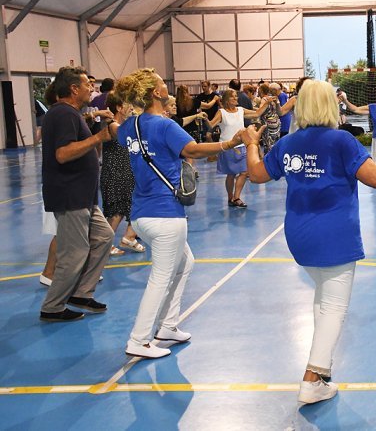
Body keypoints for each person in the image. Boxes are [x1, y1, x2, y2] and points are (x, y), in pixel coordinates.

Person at [240, 79, 376, 404]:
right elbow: (375, 178)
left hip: (299, 237)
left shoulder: (288, 143)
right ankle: (312, 377)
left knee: (322, 298)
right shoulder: (341, 141)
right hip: (334, 236)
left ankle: (323, 371)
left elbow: (257, 174)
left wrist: (249, 143)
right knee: (334, 307)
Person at [111, 68, 244, 359]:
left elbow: (118, 134)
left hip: (142, 214)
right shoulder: (164, 125)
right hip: (166, 213)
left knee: (186, 263)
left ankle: (168, 326)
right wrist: (230, 143)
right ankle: (139, 339)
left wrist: (124, 112)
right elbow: (193, 150)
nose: (166, 87)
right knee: (160, 277)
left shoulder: (130, 126)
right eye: (162, 84)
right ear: (156, 93)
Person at [40, 66, 115, 322]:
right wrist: (100, 137)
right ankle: (52, 306)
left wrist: (93, 119)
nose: (91, 90)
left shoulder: (70, 114)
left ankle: (81, 293)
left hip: (83, 195)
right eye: (87, 86)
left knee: (104, 236)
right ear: (74, 89)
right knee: (74, 254)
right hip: (70, 195)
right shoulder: (63, 114)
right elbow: (63, 153)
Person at [208, 89, 270, 208]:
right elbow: (211, 125)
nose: (236, 99)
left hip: (242, 146)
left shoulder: (241, 110)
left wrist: (266, 104)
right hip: (228, 146)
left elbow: (257, 113)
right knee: (231, 174)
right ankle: (230, 197)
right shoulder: (221, 113)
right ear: (226, 100)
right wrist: (204, 119)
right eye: (233, 97)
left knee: (244, 172)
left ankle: (236, 197)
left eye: (236, 96)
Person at [101, 93, 144, 256]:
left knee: (130, 206)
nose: (131, 108)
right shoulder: (113, 125)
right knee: (116, 212)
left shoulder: (122, 123)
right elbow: (124, 136)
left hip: (125, 172)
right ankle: (105, 244)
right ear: (119, 107)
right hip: (115, 173)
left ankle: (128, 237)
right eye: (127, 105)